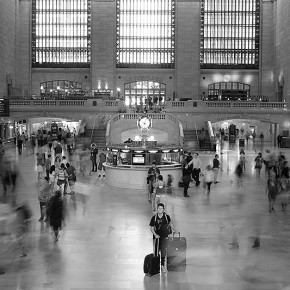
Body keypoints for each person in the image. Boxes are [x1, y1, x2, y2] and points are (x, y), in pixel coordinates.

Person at [149, 203, 176, 273]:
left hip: (164, 237)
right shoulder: (154, 218)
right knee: (156, 252)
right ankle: (156, 267)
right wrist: (155, 234)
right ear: (157, 209)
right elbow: (151, 228)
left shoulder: (166, 217)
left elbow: (170, 223)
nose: (160, 209)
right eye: (158, 208)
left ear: (163, 210)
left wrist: (175, 229)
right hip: (156, 237)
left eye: (161, 208)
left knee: (163, 252)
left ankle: (162, 266)